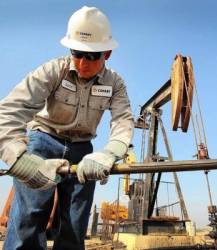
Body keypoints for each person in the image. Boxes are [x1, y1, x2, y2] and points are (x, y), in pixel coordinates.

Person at [0, 6, 134, 250]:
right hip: (43, 141)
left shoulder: (115, 84)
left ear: (108, 54)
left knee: (74, 224)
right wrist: (18, 159)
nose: (83, 63)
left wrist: (109, 153)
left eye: (92, 56)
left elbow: (123, 121)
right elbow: (9, 111)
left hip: (83, 151)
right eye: (77, 53)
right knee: (28, 219)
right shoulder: (53, 71)